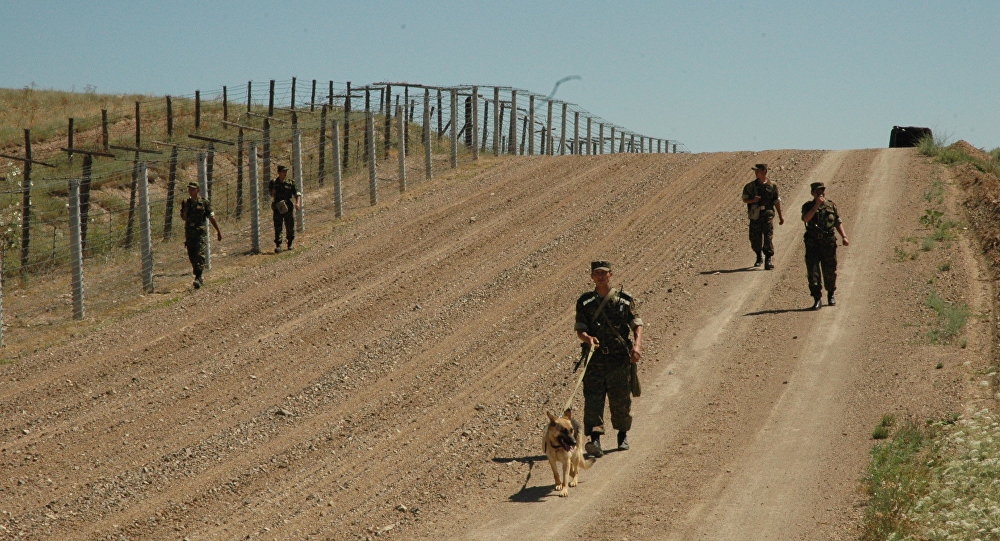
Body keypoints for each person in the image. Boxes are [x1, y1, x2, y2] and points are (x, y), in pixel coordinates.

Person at [574, 260, 644, 457]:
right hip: (595, 360)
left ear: (610, 275)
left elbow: (637, 324)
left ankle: (622, 435)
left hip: (619, 359)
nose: (600, 277)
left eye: (604, 273)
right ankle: (595, 439)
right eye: (597, 273)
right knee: (593, 400)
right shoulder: (585, 302)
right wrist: (588, 339)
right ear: (592, 277)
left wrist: (637, 346)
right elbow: (580, 329)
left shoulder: (624, 300)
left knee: (621, 399)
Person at [801, 182, 849, 309]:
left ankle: (831, 294)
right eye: (818, 191)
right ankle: (817, 299)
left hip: (828, 243)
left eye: (822, 190)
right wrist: (816, 205)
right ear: (812, 193)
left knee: (830, 271)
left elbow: (837, 221)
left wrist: (844, 236)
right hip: (813, 244)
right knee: (813, 272)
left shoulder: (831, 205)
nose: (821, 193)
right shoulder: (808, 206)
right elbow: (806, 219)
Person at [179, 181, 222, 289]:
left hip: (200, 233)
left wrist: (218, 231)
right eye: (189, 189)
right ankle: (198, 276)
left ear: (198, 190)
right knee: (192, 255)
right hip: (189, 233)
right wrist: (185, 211)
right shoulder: (186, 202)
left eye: (193, 189)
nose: (190, 191)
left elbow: (211, 217)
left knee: (200, 254)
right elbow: (184, 218)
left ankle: (198, 277)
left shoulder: (204, 203)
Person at [741, 164, 785, 269]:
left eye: (758, 171)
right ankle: (758, 256)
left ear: (764, 171)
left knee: (768, 237)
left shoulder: (772, 185)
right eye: (755, 171)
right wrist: (753, 200)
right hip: (755, 216)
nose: (756, 173)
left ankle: (768, 260)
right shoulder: (750, 186)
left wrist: (780, 216)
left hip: (767, 215)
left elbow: (776, 201)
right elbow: (744, 199)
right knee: (755, 238)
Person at [269, 165, 301, 253]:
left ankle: (290, 243)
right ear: (279, 172)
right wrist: (273, 192)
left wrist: (297, 203)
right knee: (278, 226)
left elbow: (297, 193)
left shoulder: (290, 182)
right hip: (278, 206)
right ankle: (278, 245)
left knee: (290, 225)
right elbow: (271, 194)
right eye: (283, 171)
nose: (285, 173)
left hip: (288, 206)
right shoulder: (273, 182)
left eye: (286, 171)